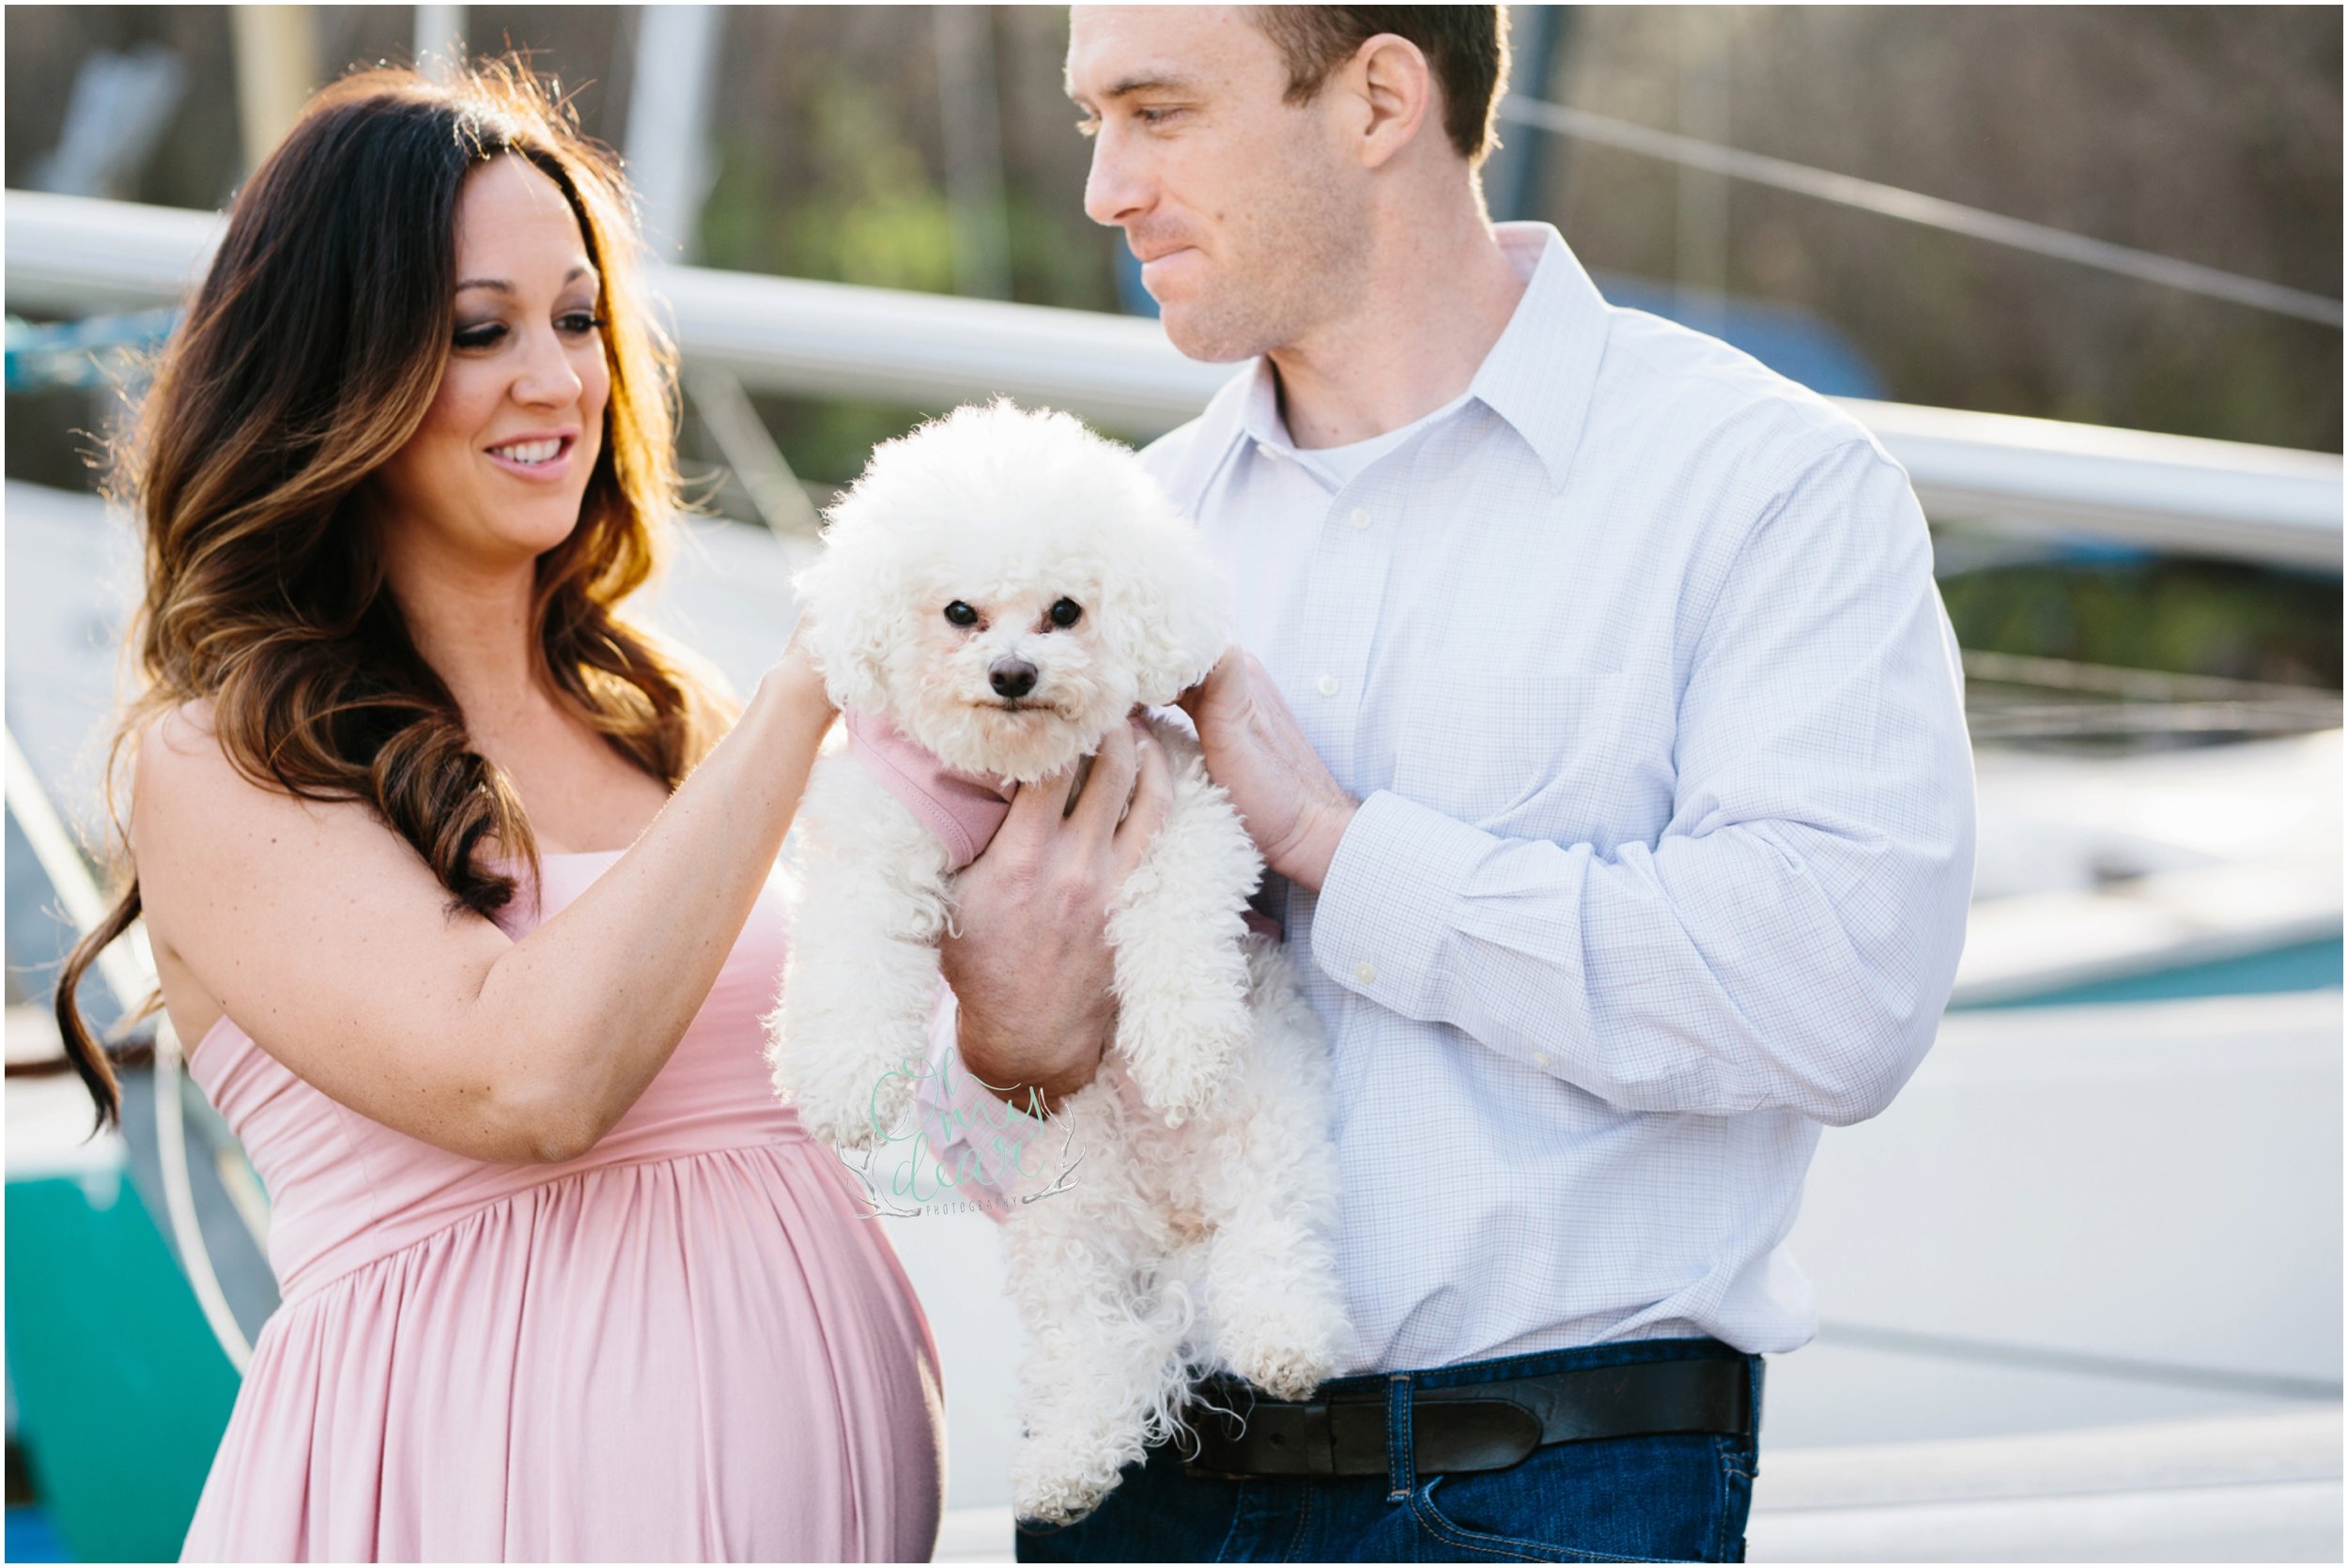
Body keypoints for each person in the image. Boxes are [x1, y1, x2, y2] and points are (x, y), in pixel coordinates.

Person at [937, 6, 1976, 1561]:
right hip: (1141, 1482)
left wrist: (1345, 855)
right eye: (1095, 120)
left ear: (1376, 100)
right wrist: (1008, 1055)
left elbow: (1842, 985)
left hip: (1553, 1488)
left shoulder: (1767, 490)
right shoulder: (1104, 553)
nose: (1105, 187)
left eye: (1155, 112)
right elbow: (963, 1149)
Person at [50, 63, 1107, 1562]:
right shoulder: (222, 761)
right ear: (338, 370)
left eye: (577, 318)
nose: (555, 379)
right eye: (481, 331)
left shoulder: (674, 722)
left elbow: (888, 1133)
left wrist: (1015, 1059)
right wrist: (822, 673)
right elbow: (529, 1078)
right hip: (457, 1497)